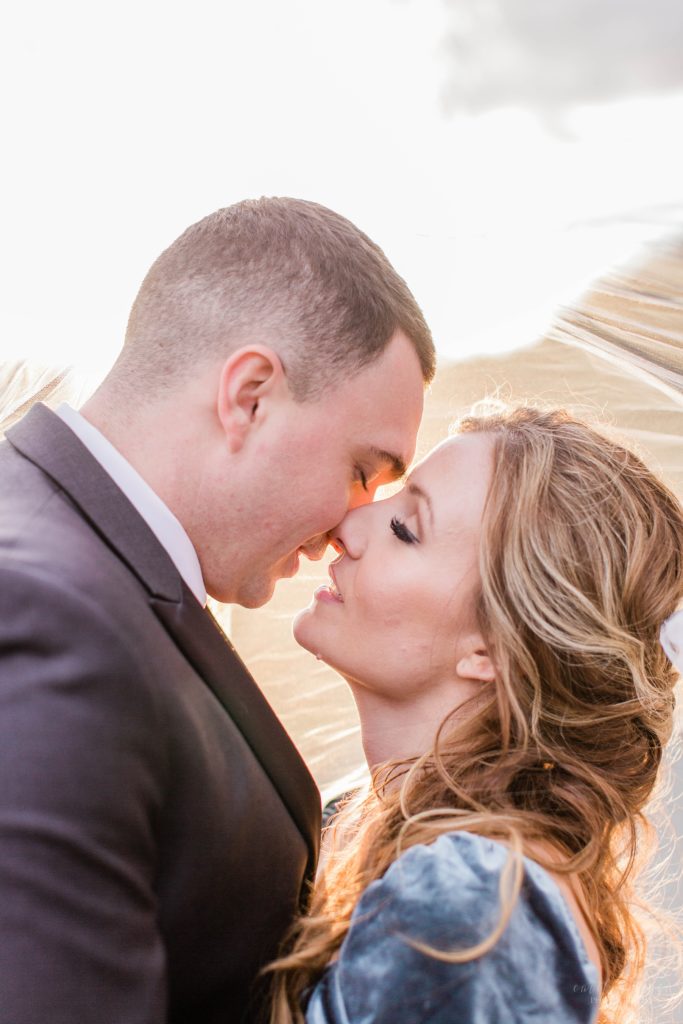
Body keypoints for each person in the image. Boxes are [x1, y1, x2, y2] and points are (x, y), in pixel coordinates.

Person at [0, 197, 435, 1024]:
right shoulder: (46, 614)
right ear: (250, 396)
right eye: (359, 469)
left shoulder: (88, 566)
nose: (351, 525)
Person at [268, 406, 683, 1024]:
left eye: (406, 528)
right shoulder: (384, 836)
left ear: (492, 650)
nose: (350, 526)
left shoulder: (471, 906)